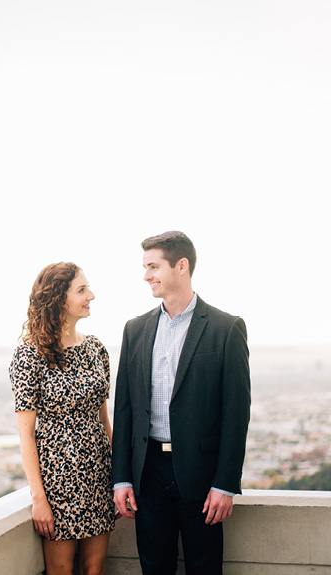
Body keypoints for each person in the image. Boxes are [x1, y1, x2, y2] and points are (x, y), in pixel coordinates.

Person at [111, 231, 251, 575]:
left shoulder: (226, 328)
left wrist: (224, 484)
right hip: (148, 475)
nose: (146, 276)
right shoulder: (135, 329)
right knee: (154, 568)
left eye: (153, 266)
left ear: (182, 266)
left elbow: (236, 413)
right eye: (145, 267)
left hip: (201, 477)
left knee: (205, 569)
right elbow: (124, 409)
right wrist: (121, 478)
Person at [10, 262, 116, 575]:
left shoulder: (96, 349)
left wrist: (119, 477)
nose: (91, 296)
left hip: (98, 474)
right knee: (61, 572)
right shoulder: (30, 355)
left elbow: (104, 421)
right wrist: (39, 499)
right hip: (57, 479)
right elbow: (26, 434)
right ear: (58, 299)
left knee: (94, 570)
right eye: (82, 290)